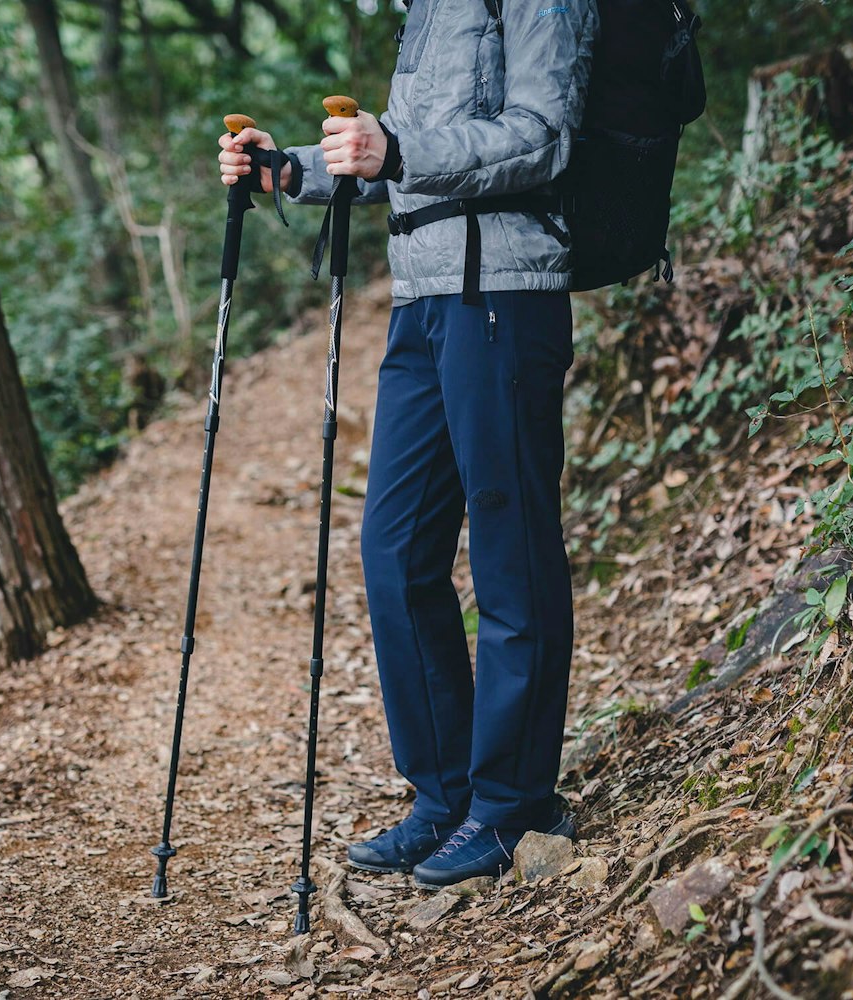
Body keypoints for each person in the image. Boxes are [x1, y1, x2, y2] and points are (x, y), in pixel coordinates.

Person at [218, 0, 599, 889]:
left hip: (504, 291)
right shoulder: (425, 11)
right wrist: (289, 170)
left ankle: (513, 805)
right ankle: (446, 794)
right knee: (393, 551)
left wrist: (398, 151)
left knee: (511, 548)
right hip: (424, 300)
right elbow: (391, 150)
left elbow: (544, 135)